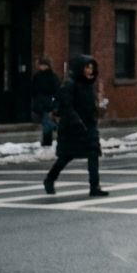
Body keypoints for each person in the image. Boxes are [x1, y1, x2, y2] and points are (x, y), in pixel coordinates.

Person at [42, 55, 108, 197]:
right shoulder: (70, 84)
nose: (90, 71)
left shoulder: (89, 84)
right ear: (80, 68)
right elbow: (67, 105)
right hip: (72, 127)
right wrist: (76, 121)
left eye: (92, 67)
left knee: (93, 154)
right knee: (66, 156)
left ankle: (94, 186)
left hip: (88, 125)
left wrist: (98, 110)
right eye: (87, 67)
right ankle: (50, 178)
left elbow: (88, 105)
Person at [30, 58, 61, 147]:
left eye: (44, 65)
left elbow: (56, 90)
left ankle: (47, 142)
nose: (42, 67)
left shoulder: (49, 76)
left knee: (47, 123)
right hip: (45, 103)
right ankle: (49, 141)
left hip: (47, 103)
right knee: (49, 122)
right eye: (41, 65)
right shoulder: (40, 76)